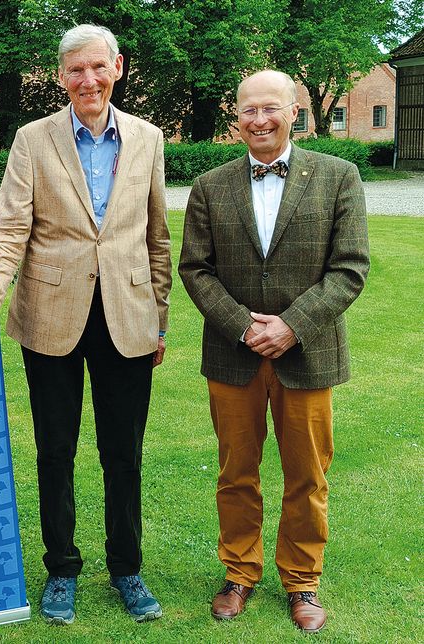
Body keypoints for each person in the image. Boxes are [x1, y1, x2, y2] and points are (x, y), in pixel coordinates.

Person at [0, 24, 171, 625]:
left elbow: (156, 237)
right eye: (75, 70)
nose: (88, 80)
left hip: (127, 318)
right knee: (56, 450)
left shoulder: (149, 139)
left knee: (123, 453)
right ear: (60, 76)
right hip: (51, 318)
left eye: (98, 67)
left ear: (118, 67)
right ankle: (62, 569)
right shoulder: (32, 139)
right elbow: (9, 235)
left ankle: (127, 567)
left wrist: (160, 320)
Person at [178, 70, 369, 634]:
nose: (259, 120)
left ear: (294, 112)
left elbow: (350, 268)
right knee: (236, 472)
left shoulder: (339, 177)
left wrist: (291, 325)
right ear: (236, 116)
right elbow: (196, 268)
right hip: (233, 355)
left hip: (307, 354)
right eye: (248, 110)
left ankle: (302, 579)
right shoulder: (211, 185)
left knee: (307, 475)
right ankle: (239, 571)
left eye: (270, 109)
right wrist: (243, 326)